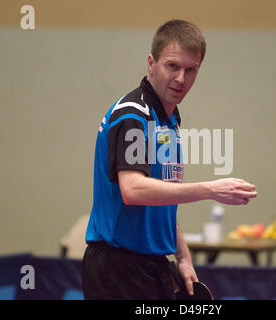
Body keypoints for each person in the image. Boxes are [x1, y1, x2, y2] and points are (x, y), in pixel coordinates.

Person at [82, 19, 257, 300]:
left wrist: (183, 257)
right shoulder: (134, 115)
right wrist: (211, 190)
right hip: (118, 270)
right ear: (151, 63)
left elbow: (163, 198)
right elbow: (134, 190)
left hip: (153, 265)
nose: (180, 79)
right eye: (172, 66)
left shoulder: (170, 120)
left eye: (191, 70)